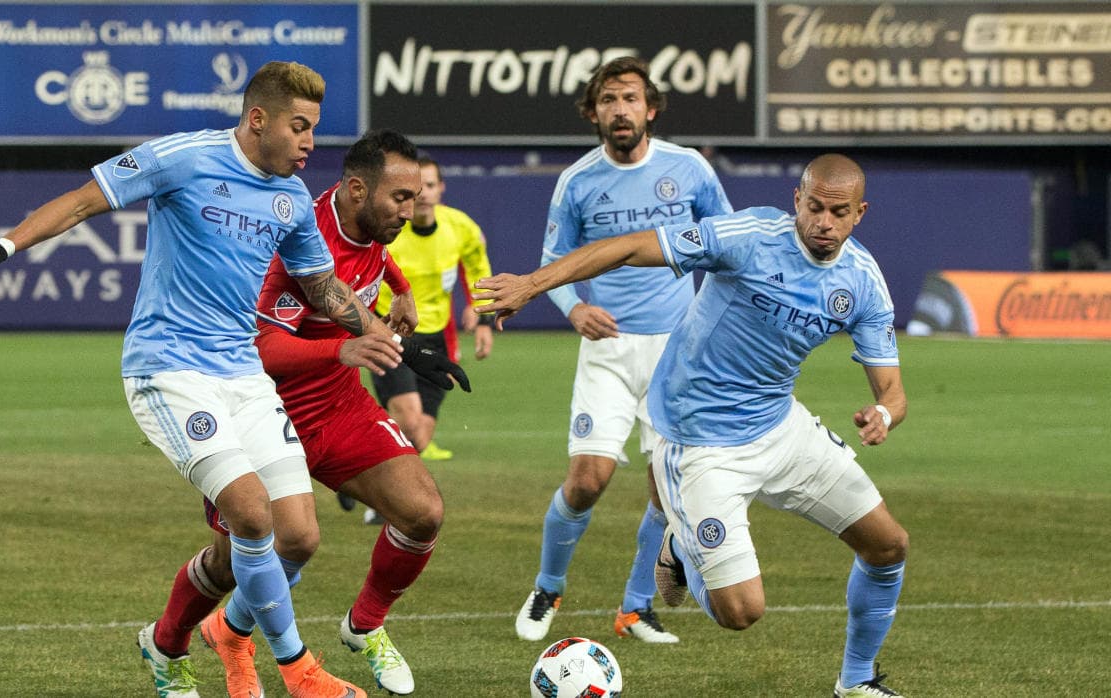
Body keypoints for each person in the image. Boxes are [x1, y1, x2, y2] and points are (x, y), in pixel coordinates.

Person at [0, 61, 405, 698]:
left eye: (313, 127)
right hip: (170, 370)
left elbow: (323, 287)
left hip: (243, 374)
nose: (310, 141)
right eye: (299, 126)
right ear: (258, 119)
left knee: (299, 535)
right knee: (251, 515)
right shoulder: (185, 158)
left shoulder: (291, 199)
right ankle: (299, 670)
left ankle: (166, 644)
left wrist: (386, 335)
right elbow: (83, 201)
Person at [476, 153, 910, 697]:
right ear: (797, 200)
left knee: (888, 546)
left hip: (781, 426)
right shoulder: (748, 237)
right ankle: (680, 547)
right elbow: (630, 247)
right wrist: (534, 284)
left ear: (859, 213)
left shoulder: (863, 281)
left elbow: (893, 392)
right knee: (740, 612)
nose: (824, 222)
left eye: (839, 212)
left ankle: (856, 682)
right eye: (815, 207)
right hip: (699, 439)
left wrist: (883, 413)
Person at [142, 129, 469, 698]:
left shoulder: (370, 223)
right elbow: (262, 348)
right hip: (260, 410)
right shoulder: (297, 237)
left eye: (414, 197)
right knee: (239, 559)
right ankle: (168, 642)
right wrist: (341, 349)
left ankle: (362, 626)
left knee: (423, 513)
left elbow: (373, 257)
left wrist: (401, 287)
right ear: (357, 189)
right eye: (400, 198)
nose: (410, 211)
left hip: (339, 406)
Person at [510, 56, 733, 645]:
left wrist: (711, 319)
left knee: (666, 487)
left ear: (650, 108)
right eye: (608, 99)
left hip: (676, 354)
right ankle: (548, 586)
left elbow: (729, 243)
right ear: (593, 113)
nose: (620, 109)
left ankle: (635, 609)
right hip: (607, 351)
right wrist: (573, 309)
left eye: (630, 97)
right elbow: (552, 262)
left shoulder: (689, 168)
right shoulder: (578, 181)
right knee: (587, 480)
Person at [371, 154, 495, 463]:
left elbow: (478, 267)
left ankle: (364, 459)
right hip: (391, 333)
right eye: (416, 188)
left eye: (429, 185)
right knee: (409, 419)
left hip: (438, 335)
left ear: (441, 187)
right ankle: (356, 464)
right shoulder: (388, 229)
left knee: (420, 438)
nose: (423, 194)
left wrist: (483, 317)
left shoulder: (461, 227)